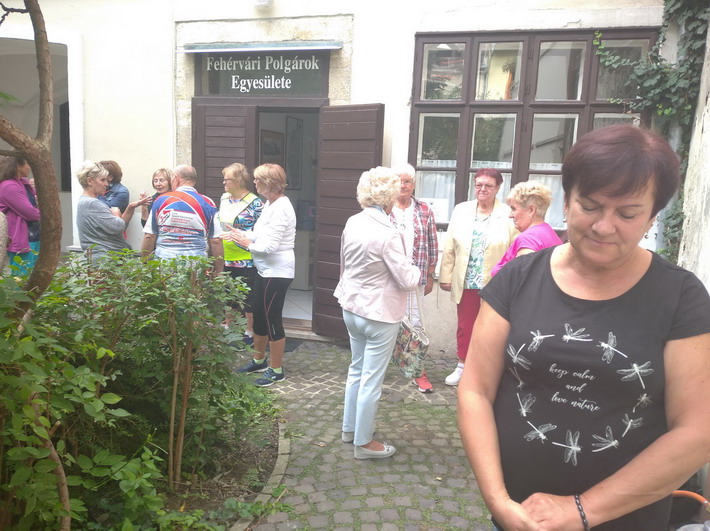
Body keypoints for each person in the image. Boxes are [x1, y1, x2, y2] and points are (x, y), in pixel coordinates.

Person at [457, 125, 710, 530]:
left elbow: (697, 431)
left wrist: (582, 509)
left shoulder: (680, 297)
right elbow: (475, 390)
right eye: (590, 206)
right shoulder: (517, 279)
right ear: (567, 201)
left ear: (652, 217)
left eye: (627, 213)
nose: (604, 226)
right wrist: (498, 500)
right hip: (517, 517)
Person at [334, 166, 421, 459]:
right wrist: (416, 268)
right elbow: (407, 280)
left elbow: (345, 265)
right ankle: (364, 443)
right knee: (371, 379)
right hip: (379, 313)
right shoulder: (388, 232)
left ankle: (349, 431)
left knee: (356, 370)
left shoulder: (353, 221)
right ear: (390, 196)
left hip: (351, 305)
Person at [439, 168, 517, 386]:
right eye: (479, 184)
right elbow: (450, 245)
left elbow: (515, 248)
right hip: (467, 280)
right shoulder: (461, 210)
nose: (483, 189)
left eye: (488, 185)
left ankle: (489, 370)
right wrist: (445, 275)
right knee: (466, 326)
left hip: (496, 282)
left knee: (494, 328)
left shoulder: (507, 213)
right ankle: (462, 366)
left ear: (498, 188)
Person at [230, 164, 296, 387]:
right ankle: (259, 360)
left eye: (258, 179)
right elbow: (259, 234)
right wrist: (240, 234)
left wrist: (245, 243)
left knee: (271, 318)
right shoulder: (270, 204)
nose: (254, 182)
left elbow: (269, 247)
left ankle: (276, 370)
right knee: (258, 315)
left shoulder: (282, 208)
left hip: (277, 273)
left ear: (270, 183)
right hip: (264, 270)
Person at [390, 163, 438, 393]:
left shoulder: (424, 210)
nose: (403, 185)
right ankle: (379, 368)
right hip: (389, 278)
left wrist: (430, 274)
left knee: (416, 324)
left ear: (414, 184)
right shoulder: (384, 208)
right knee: (386, 322)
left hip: (416, 276)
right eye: (399, 181)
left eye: (407, 181)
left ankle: (419, 371)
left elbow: (432, 242)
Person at [140, 164, 224, 274]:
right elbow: (216, 241)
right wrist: (219, 271)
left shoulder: (161, 200)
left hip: (164, 264)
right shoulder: (208, 203)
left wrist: (145, 264)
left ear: (176, 178)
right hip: (196, 266)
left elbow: (149, 236)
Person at [218, 162, 264, 346]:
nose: (224, 182)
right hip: (225, 254)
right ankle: (228, 325)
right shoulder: (224, 199)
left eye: (227, 179)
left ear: (238, 181)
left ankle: (249, 330)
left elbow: (262, 231)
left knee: (248, 296)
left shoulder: (255, 202)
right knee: (228, 293)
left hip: (246, 257)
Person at [75, 160, 148, 260]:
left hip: (105, 257)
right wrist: (116, 214)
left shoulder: (86, 202)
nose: (106, 184)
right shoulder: (92, 203)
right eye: (102, 180)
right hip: (107, 259)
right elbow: (118, 227)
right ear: (89, 181)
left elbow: (118, 225)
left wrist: (131, 207)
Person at [490, 180, 563, 277]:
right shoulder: (549, 233)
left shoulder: (528, 239)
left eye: (514, 209)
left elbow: (521, 279)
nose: (510, 215)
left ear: (531, 210)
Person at [0, 156, 41, 275]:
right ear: (18, 166)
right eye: (27, 164)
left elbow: (36, 201)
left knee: (33, 273)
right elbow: (30, 213)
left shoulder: (22, 182)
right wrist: (44, 214)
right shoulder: (9, 186)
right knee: (21, 275)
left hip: (33, 234)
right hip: (21, 236)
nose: (29, 167)